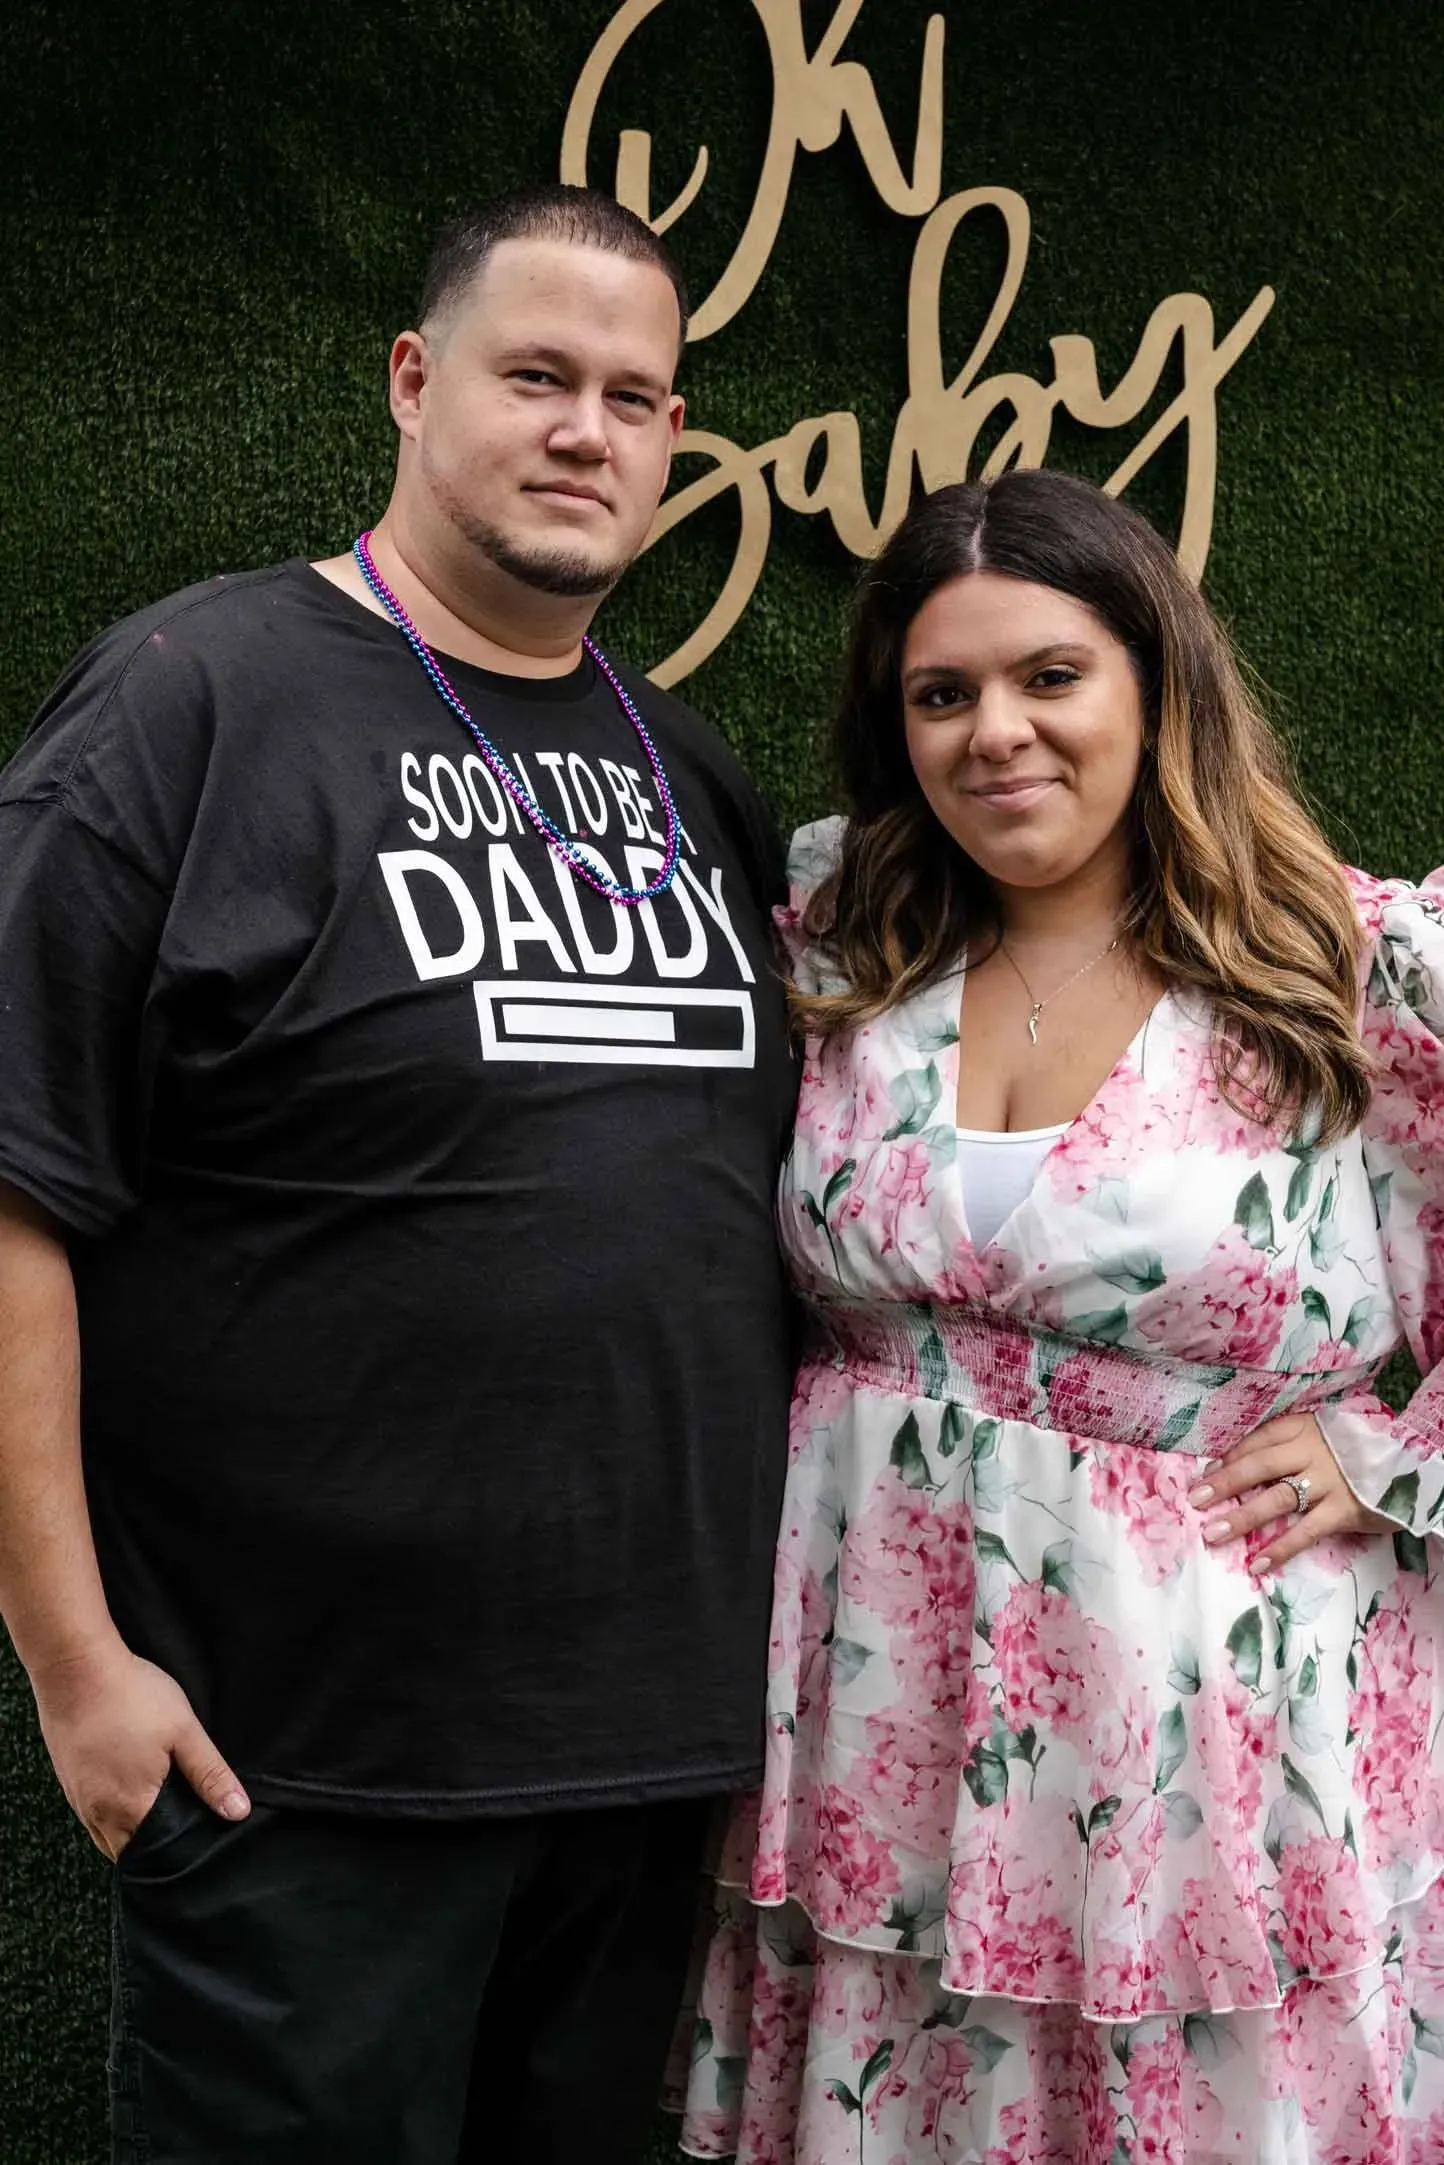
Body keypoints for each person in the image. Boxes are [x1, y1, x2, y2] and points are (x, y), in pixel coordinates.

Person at [0, 184, 798, 2164]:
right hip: (300, 1767)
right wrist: (76, 1663)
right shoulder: (187, 703)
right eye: (536, 374)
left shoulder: (691, 775)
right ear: (412, 379)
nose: (583, 429)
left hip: (648, 1770)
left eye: (635, 395)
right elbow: (17, 1190)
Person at [679, 467, 1444, 2161]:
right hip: (885, 1702)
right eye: (941, 695)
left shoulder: (1341, 969)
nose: (995, 735)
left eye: (1050, 677)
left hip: (1202, 1726)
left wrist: (1392, 1451)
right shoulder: (844, 948)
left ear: (1154, 684)